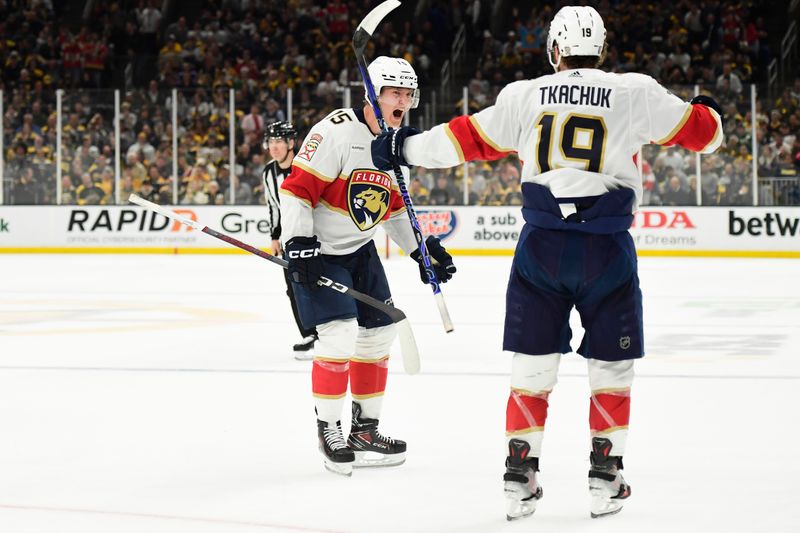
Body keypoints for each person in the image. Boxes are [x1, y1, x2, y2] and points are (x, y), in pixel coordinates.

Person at [372, 6, 723, 519]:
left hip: (541, 248)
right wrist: (705, 105)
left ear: (554, 49)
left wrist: (400, 147)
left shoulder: (524, 94)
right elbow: (705, 135)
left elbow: (461, 140)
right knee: (612, 366)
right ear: (601, 49)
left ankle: (520, 476)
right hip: (607, 249)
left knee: (532, 366)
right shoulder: (634, 90)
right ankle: (606, 476)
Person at [279, 56, 457, 476]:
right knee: (339, 339)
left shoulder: (397, 145)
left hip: (360, 251)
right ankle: (329, 429)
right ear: (372, 94)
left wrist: (421, 250)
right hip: (319, 250)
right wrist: (298, 242)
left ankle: (364, 431)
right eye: (394, 92)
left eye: (407, 93)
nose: (403, 100)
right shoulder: (335, 132)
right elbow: (296, 190)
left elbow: (394, 211)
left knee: (378, 337)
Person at [261, 121, 319, 356]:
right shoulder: (268, 172)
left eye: (279, 141)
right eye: (271, 142)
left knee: (321, 283)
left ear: (291, 143)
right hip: (288, 242)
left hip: (315, 238)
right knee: (294, 288)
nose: (274, 147)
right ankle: (309, 333)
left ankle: (334, 330)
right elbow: (273, 206)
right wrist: (275, 236)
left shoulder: (306, 167)